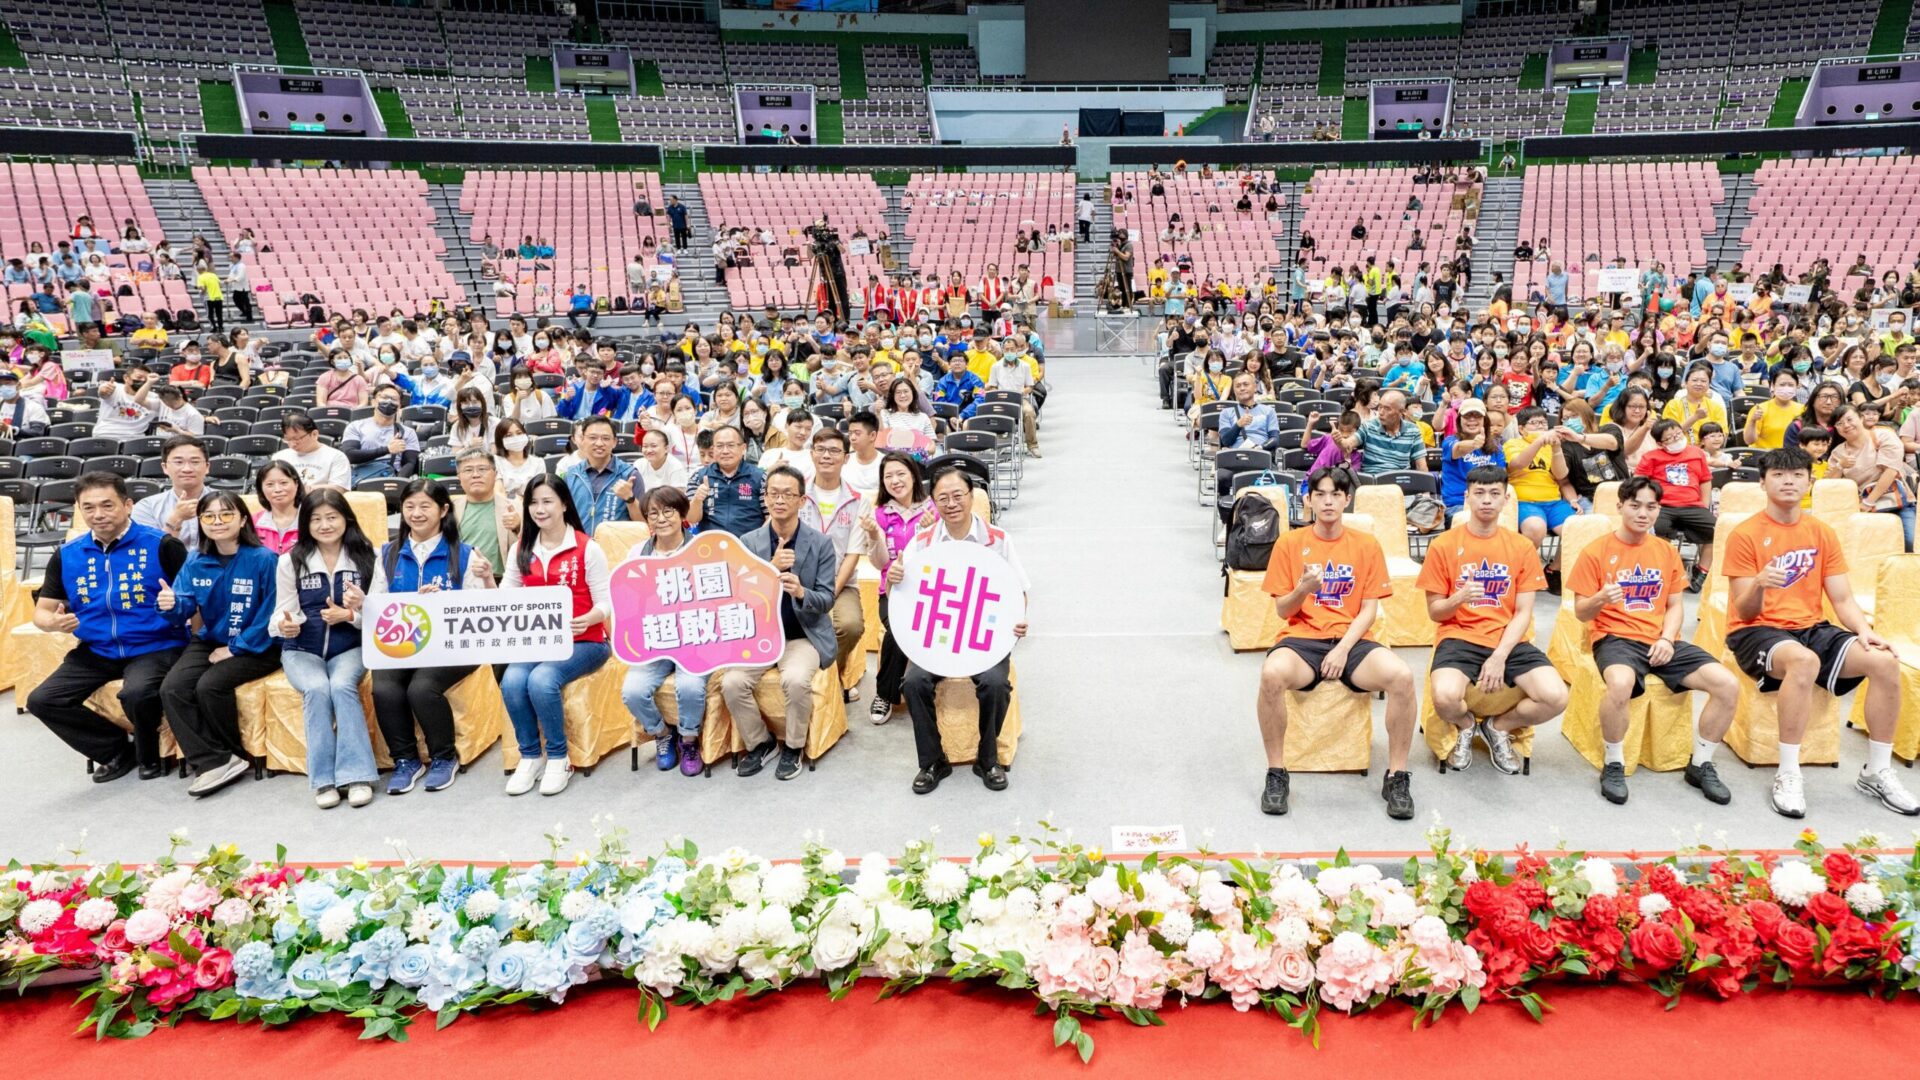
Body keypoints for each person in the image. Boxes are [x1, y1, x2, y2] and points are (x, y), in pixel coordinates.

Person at [1723, 447, 1917, 818]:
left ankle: (1876, 771)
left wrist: (1864, 630)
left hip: (1810, 627)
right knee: (1803, 661)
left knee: (1884, 662)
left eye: (1797, 475)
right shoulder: (1745, 534)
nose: (1789, 481)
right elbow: (1744, 610)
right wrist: (1760, 583)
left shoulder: (1821, 532)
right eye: (1779, 475)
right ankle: (1788, 772)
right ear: (1762, 483)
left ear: (1810, 482)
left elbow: (1841, 598)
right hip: (1755, 630)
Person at [1255, 466, 1417, 819]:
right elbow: (1283, 610)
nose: (1328, 502)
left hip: (1353, 640)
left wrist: (1343, 648)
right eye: (1320, 495)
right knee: (1271, 675)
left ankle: (1397, 776)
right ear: (1309, 500)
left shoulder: (1366, 545)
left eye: (1335, 495)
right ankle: (1276, 772)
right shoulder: (1289, 544)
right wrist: (1303, 589)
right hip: (1302, 639)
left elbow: (1369, 610)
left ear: (1347, 500)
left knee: (1403, 677)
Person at [1569, 476, 1739, 806]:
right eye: (1635, 506)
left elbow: (1675, 605)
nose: (1643, 513)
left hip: (1661, 640)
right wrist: (1600, 598)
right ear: (1620, 507)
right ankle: (1614, 762)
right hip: (1615, 638)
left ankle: (1701, 763)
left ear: (1659, 510)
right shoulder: (1596, 551)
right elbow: (1580, 611)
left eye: (1651, 507)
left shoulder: (1664, 551)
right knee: (1620, 684)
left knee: (1727, 685)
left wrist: (1667, 639)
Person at [27, 473, 191, 781]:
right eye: (88, 507)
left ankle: (150, 754)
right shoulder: (67, 555)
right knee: (42, 700)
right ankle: (115, 751)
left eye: (107, 505)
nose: (98, 514)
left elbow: (193, 599)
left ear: (127, 505)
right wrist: (54, 623)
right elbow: (42, 612)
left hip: (156, 644)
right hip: (97, 648)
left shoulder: (162, 545)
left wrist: (177, 605)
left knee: (137, 693)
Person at [1416, 466, 1568, 774]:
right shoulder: (1443, 545)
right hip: (1459, 637)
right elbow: (1435, 612)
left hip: (1508, 639)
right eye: (1480, 493)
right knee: (1445, 698)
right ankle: (1466, 724)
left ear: (1506, 499)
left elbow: (1523, 612)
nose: (1487, 500)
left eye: (1495, 493)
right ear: (1467, 497)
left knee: (1556, 697)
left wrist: (1499, 656)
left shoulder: (1521, 547)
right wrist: (1458, 598)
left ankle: (1498, 727)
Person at [891, 466, 1029, 794]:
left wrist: (1018, 620)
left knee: (995, 683)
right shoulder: (922, 542)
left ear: (971, 497)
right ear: (933, 502)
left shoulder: (998, 540)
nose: (951, 504)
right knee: (913, 682)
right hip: (936, 637)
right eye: (943, 498)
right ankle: (932, 761)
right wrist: (894, 578)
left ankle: (988, 758)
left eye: (958, 496)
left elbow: (1018, 589)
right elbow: (903, 592)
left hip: (984, 636)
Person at [369, 479, 498, 796]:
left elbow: (482, 610)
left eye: (425, 506)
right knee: (384, 687)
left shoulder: (465, 554)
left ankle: (443, 757)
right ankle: (405, 760)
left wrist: (443, 603)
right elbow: (378, 605)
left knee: (421, 688)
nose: (416, 513)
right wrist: (364, 604)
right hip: (403, 643)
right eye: (409, 506)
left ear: (443, 510)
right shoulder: (387, 554)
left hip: (453, 645)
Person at [156, 491, 282, 798]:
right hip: (212, 638)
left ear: (243, 519)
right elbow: (184, 605)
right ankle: (217, 760)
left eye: (226, 514)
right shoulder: (195, 560)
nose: (217, 522)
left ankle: (230, 753)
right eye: (209, 516)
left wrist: (236, 648)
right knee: (172, 688)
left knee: (209, 686)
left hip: (260, 645)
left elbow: (272, 612)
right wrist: (170, 604)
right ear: (200, 522)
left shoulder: (265, 559)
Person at [717, 466, 839, 782]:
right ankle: (762, 743)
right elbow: (736, 597)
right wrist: (769, 570)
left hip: (802, 635)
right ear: (766, 497)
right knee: (732, 683)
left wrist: (801, 592)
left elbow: (827, 599)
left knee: (796, 680)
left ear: (802, 500)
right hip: (760, 633)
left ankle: (793, 747)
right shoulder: (748, 542)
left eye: (787, 494)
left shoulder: (820, 543)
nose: (779, 500)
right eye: (773, 493)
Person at [499, 475, 612, 798]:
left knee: (541, 680)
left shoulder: (587, 548)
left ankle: (559, 758)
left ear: (564, 504)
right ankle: (531, 757)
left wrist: (591, 617)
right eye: (533, 503)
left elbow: (606, 601)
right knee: (512, 680)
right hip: (539, 641)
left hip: (586, 641)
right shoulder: (521, 548)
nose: (539, 509)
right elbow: (506, 596)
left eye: (547, 501)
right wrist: (486, 580)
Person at [274, 488, 378, 809]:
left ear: (346, 518)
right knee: (317, 689)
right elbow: (281, 612)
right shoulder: (291, 561)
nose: (325, 525)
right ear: (306, 524)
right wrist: (285, 625)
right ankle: (324, 781)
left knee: (342, 686)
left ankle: (357, 776)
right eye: (316, 519)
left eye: (332, 517)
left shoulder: (368, 556)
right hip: (301, 650)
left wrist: (351, 616)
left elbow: (381, 615)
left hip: (351, 647)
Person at [621, 487, 710, 777]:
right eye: (653, 514)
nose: (661, 519)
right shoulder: (638, 553)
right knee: (633, 691)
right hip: (656, 639)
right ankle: (662, 734)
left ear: (682, 513)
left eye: (668, 511)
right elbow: (628, 598)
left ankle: (689, 740)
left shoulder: (703, 549)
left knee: (690, 687)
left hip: (695, 637)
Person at [859, 453, 934, 726]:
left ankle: (928, 688)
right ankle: (885, 695)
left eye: (900, 473)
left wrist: (931, 532)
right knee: (899, 628)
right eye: (888, 476)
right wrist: (873, 535)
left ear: (913, 475)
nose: (895, 481)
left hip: (931, 593)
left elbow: (947, 557)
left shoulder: (933, 509)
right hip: (893, 592)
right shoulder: (879, 514)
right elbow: (880, 563)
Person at [797, 427, 868, 700]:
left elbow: (853, 553)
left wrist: (829, 593)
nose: (827, 456)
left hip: (841, 582)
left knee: (850, 625)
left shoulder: (858, 500)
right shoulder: (796, 492)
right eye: (821, 449)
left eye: (834, 451)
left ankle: (829, 676)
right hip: (798, 581)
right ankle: (820, 680)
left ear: (846, 457)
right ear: (812, 453)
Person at [1634, 419, 1715, 592]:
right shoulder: (1651, 457)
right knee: (1658, 529)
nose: (1677, 438)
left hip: (1693, 505)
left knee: (1715, 530)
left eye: (1678, 433)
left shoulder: (1696, 453)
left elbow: (1705, 480)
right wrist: (1650, 504)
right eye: (1670, 438)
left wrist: (1704, 504)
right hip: (1664, 506)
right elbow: (1638, 481)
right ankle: (1667, 571)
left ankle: (1702, 571)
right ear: (1660, 443)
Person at [1827, 404, 1916, 552]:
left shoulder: (1883, 436)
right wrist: (1840, 466)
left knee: (1910, 542)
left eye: (1849, 419)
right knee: (1871, 550)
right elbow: (1831, 484)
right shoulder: (1838, 452)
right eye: (1839, 423)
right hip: (1864, 509)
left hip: (1897, 502)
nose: (1846, 425)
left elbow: (1890, 471)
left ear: (1861, 418)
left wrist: (1869, 501)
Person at [1504, 407, 1575, 565]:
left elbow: (1561, 475)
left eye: (1543, 423)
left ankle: (1554, 569)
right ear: (1521, 429)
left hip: (1554, 501)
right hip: (1524, 501)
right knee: (1535, 528)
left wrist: (1556, 448)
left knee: (1576, 529)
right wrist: (1539, 441)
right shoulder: (1513, 444)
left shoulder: (1551, 446)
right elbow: (1518, 464)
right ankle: (1521, 568)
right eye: (1534, 423)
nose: (1540, 427)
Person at [560, 415, 641, 536]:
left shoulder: (630, 475)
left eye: (606, 438)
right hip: (580, 545)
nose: (599, 443)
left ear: (615, 442)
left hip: (615, 546)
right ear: (583, 440)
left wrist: (630, 499)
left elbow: (643, 525)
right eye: (592, 437)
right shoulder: (571, 475)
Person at [687, 425, 768, 536]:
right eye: (719, 446)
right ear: (713, 449)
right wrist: (697, 499)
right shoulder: (698, 477)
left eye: (731, 445)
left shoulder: (761, 477)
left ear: (743, 448)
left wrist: (758, 539)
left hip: (749, 543)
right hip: (710, 543)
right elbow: (692, 518)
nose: (725, 451)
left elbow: (771, 516)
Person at [133, 435, 210, 550]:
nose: (187, 469)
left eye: (195, 462)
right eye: (178, 462)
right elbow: (147, 552)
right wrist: (176, 519)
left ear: (207, 467)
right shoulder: (146, 507)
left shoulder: (228, 503)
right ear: (165, 467)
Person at [454, 446, 519, 574]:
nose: (476, 475)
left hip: (501, 581)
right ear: (459, 478)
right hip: (462, 581)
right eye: (468, 470)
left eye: (482, 469)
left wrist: (519, 527)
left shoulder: (516, 508)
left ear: (495, 474)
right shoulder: (449, 510)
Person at [342, 382, 420, 485]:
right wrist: (387, 449)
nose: (389, 401)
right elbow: (350, 455)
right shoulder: (355, 426)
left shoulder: (408, 432)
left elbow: (410, 463)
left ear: (399, 406)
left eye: (394, 399)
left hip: (393, 479)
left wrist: (397, 482)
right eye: (384, 397)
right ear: (373, 402)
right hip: (362, 479)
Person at [1439, 398, 1503, 517]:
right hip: (1459, 504)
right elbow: (1458, 449)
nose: (1472, 419)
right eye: (1467, 416)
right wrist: (1473, 444)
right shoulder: (1449, 442)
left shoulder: (1496, 446)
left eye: (1477, 416)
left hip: (1490, 503)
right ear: (1459, 420)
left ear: (1485, 420)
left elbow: (1501, 476)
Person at [271, 411, 352, 491]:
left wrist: (302, 490)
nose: (292, 444)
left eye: (297, 439)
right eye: (288, 439)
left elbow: (339, 488)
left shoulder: (336, 457)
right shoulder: (279, 457)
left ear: (314, 434)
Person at [1357, 389, 1430, 474]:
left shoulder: (1413, 430)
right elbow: (1349, 443)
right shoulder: (1368, 426)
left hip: (1400, 478)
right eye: (1380, 407)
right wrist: (1344, 442)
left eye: (1387, 409)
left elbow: (1421, 466)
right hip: (1372, 478)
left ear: (1402, 412)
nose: (1381, 412)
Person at [1217, 371, 1279, 453]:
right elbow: (1225, 441)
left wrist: (1260, 448)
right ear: (1234, 390)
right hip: (1235, 456)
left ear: (1255, 387)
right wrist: (1238, 425)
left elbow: (1275, 438)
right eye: (1238, 386)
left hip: (1261, 454)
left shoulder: (1269, 411)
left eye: (1246, 384)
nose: (1242, 388)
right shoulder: (1226, 413)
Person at [251, 460, 305, 554]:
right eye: (270, 484)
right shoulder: (252, 523)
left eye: (283, 483)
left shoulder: (311, 519)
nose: (278, 490)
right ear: (261, 488)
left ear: (296, 484)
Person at [492, 418, 545, 499]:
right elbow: (498, 493)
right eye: (509, 435)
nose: (516, 438)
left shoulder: (538, 463)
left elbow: (539, 493)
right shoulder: (495, 461)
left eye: (519, 433)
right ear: (500, 440)